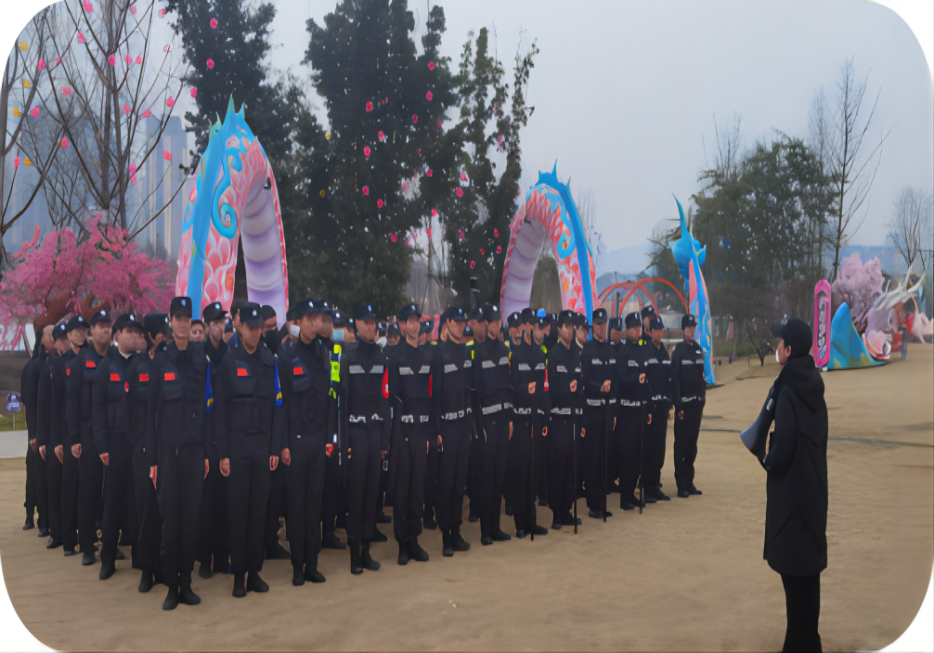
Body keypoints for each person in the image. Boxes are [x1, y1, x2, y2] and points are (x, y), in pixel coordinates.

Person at [761, 318, 828, 652]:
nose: (777, 348)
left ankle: (799, 644)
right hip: (813, 492)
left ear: (788, 349)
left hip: (791, 500)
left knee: (793, 577)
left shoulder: (787, 388)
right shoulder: (813, 384)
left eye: (780, 343)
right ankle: (809, 641)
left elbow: (784, 444)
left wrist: (768, 459)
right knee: (807, 577)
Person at [146, 296, 212, 610]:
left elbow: (209, 409)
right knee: (170, 523)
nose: (183, 323)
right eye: (178, 318)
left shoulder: (202, 360)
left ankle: (186, 583)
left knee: (191, 521)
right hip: (168, 454)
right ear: (170, 322)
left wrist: (208, 453)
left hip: (195, 453)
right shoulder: (161, 361)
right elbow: (151, 413)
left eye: (187, 318)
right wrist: (153, 460)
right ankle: (172, 587)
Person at [214, 303, 284, 598]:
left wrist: (275, 447)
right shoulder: (229, 363)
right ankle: (238, 575)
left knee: (258, 515)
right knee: (238, 515)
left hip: (262, 450)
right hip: (237, 451)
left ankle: (254, 572)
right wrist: (223, 453)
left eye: (259, 328)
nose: (255, 333)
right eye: (250, 328)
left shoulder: (269, 362)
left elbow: (278, 406)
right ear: (240, 327)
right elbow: (219, 411)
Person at [280, 299, 334, 586]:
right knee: (297, 507)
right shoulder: (287, 356)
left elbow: (329, 399)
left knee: (314, 506)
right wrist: (284, 444)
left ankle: (312, 564)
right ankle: (297, 566)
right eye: (310, 319)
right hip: (296, 442)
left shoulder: (324, 354)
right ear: (299, 322)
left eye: (318, 319)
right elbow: (282, 405)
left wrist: (329, 438)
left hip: (318, 440)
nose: (315, 324)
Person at [92, 313, 145, 580]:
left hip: (137, 443)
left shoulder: (142, 364)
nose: (134, 336)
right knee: (112, 502)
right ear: (117, 335)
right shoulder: (106, 366)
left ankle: (140, 555)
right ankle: (108, 558)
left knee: (137, 500)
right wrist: (101, 444)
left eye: (137, 332)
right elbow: (97, 409)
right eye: (128, 331)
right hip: (113, 444)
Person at [339, 304, 388, 574]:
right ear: (356, 324)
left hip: (375, 432)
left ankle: (367, 550)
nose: (371, 327)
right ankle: (354, 553)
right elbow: (342, 403)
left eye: (373, 322)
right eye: (366, 322)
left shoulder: (381, 357)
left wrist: (385, 441)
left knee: (372, 494)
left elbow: (385, 399)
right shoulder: (347, 358)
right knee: (356, 495)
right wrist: (344, 442)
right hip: (355, 433)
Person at [385, 302, 434, 565]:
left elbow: (429, 396)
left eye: (417, 320)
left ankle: (415, 540)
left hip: (420, 431)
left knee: (417, 488)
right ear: (403, 325)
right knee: (402, 490)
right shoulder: (395, 356)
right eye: (410, 321)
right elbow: (391, 397)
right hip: (402, 431)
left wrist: (428, 432)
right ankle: (402, 544)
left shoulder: (426, 356)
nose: (415, 325)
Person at [66, 309, 113, 567]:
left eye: (108, 325)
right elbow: (71, 403)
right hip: (88, 434)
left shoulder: (116, 360)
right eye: (100, 326)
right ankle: (87, 546)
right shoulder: (79, 363)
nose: (105, 330)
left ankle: (110, 543)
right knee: (88, 491)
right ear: (91, 331)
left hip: (114, 433)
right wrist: (74, 438)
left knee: (112, 492)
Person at [429, 306, 474, 556]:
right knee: (446, 484)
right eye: (456, 322)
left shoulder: (465, 351)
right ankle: (446, 535)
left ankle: (456, 531)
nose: (461, 325)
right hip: (446, 426)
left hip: (463, 424)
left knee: (459, 483)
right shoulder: (439, 353)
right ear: (447, 324)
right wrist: (436, 430)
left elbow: (469, 389)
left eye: (463, 322)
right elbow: (435, 394)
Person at [126, 318, 164, 592]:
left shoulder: (169, 363)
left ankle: (162, 565)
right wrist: (136, 442)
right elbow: (127, 409)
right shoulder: (136, 366)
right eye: (162, 334)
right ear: (152, 336)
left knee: (165, 510)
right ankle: (145, 568)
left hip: (166, 447)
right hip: (141, 447)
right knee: (145, 508)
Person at [472, 303, 514, 546]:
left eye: (499, 321)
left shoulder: (504, 349)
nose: (496, 325)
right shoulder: (478, 352)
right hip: (487, 423)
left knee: (500, 476)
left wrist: (509, 419)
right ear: (486, 324)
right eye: (493, 321)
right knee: (487, 478)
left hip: (503, 420)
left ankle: (496, 528)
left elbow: (508, 387)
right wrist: (480, 428)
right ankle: (485, 531)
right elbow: (477, 393)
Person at [506, 308, 549, 538]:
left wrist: (543, 415)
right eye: (528, 324)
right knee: (520, 475)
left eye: (534, 324)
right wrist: (525, 389)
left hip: (535, 420)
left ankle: (532, 522)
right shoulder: (515, 354)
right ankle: (520, 524)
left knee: (533, 475)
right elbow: (511, 388)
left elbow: (543, 389)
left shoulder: (540, 354)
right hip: (520, 420)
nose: (531, 328)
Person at [197, 301, 230, 579]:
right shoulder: (199, 356)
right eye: (215, 322)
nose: (220, 326)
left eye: (222, 321)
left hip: (228, 435)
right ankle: (205, 560)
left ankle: (222, 557)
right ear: (206, 327)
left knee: (225, 502)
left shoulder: (230, 354)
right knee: (206, 504)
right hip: (206, 435)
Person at [547, 310, 583, 529]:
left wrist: (577, 389)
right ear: (559, 329)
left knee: (572, 466)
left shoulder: (577, 354)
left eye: (572, 326)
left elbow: (581, 383)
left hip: (574, 417)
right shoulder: (554, 354)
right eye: (566, 326)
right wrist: (566, 390)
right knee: (558, 467)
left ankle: (567, 510)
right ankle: (556, 513)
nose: (570, 330)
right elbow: (552, 388)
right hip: (559, 418)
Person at [58, 315, 88, 557]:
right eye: (74, 331)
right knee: (70, 489)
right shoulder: (61, 363)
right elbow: (59, 403)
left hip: (89, 433)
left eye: (82, 330)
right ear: (68, 335)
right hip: (69, 435)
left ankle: (90, 538)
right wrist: (59, 439)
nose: (79, 334)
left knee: (89, 490)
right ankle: (69, 540)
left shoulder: (93, 359)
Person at [580, 308, 615, 519]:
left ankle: (601, 502)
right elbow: (585, 381)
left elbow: (615, 379)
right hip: (592, 411)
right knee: (592, 459)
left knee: (604, 459)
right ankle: (593, 504)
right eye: (599, 324)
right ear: (593, 326)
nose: (602, 328)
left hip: (607, 410)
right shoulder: (587, 350)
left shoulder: (610, 350)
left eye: (604, 324)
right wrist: (598, 387)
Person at [37, 324, 69, 548]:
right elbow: (42, 405)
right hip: (51, 436)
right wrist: (41, 439)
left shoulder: (73, 364)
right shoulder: (49, 366)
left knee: (69, 488)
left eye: (67, 338)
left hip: (70, 435)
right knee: (54, 486)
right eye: (62, 339)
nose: (65, 343)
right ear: (55, 343)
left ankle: (70, 532)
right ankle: (56, 533)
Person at [615, 312, 649, 510]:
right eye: (633, 328)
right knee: (627, 454)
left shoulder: (642, 351)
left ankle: (632, 492)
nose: (636, 331)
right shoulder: (623, 352)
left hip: (640, 409)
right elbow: (620, 378)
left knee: (638, 454)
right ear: (627, 331)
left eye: (638, 327)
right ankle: (625, 496)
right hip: (627, 409)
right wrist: (636, 379)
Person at [671, 314, 706, 498]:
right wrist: (678, 404)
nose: (691, 331)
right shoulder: (678, 351)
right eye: (688, 328)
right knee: (681, 446)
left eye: (693, 327)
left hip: (696, 406)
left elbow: (701, 377)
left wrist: (702, 399)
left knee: (692, 445)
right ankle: (681, 484)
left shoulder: (698, 351)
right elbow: (675, 380)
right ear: (683, 329)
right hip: (683, 407)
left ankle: (689, 481)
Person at [22, 324, 53, 533]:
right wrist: (33, 434)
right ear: (42, 339)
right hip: (37, 434)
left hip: (53, 431)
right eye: (51, 334)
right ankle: (32, 517)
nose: (55, 338)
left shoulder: (57, 363)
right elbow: (30, 403)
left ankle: (47, 518)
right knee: (35, 477)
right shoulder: (33, 367)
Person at [643, 316, 671, 502]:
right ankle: (647, 487)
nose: (658, 333)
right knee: (650, 447)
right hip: (651, 407)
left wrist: (669, 402)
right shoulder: (647, 351)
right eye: (655, 330)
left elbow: (668, 379)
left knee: (660, 447)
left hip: (662, 406)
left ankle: (656, 485)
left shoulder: (664, 353)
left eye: (660, 330)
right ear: (650, 331)